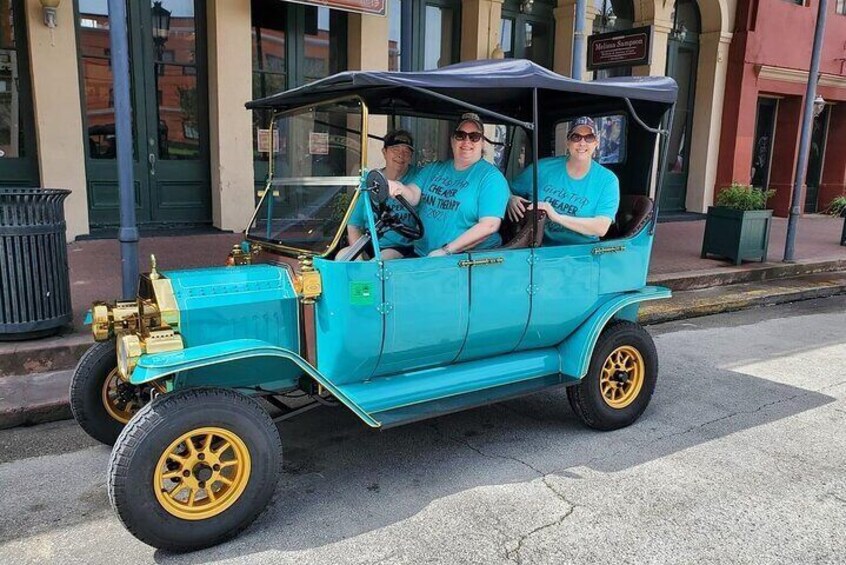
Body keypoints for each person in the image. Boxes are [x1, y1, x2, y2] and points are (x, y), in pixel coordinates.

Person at [387, 112, 510, 256]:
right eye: (460, 135)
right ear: (452, 140)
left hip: (463, 261)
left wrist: (447, 250)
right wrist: (399, 187)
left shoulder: (491, 178)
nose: (467, 142)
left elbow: (489, 225)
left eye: (474, 137)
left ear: (482, 143)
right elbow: (413, 196)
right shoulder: (434, 168)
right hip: (423, 255)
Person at [508, 116, 620, 245]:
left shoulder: (608, 180)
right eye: (576, 137)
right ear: (568, 142)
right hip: (537, 249)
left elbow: (601, 227)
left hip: (582, 254)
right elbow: (507, 187)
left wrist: (556, 216)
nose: (582, 143)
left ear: (596, 143)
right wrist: (510, 198)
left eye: (589, 138)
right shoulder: (541, 168)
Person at [344, 130, 419, 260]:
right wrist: (358, 257)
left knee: (380, 260)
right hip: (369, 243)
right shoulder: (371, 179)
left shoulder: (418, 177)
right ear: (384, 152)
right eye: (395, 150)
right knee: (343, 257)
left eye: (406, 151)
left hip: (400, 247)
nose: (401, 155)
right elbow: (354, 223)